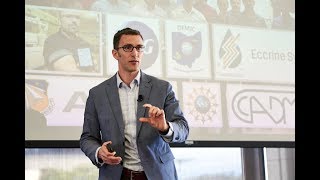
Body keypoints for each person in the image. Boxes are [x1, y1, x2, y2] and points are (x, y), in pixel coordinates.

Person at [79, 27, 189, 180]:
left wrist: (165, 127)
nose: (135, 53)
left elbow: (183, 128)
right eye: (128, 47)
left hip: (157, 173)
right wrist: (99, 152)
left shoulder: (162, 88)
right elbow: (87, 138)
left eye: (139, 48)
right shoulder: (97, 94)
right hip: (116, 174)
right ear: (115, 54)